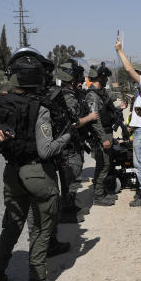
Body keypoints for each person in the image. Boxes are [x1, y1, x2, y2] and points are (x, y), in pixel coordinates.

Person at [0, 48, 72, 281]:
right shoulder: (40, 107)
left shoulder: (0, 104)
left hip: (11, 171)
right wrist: (66, 135)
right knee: (42, 230)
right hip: (37, 174)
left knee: (10, 226)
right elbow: (45, 151)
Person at [49, 59, 98, 223]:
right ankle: (66, 211)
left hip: (72, 143)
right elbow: (73, 122)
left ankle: (70, 206)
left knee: (73, 177)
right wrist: (90, 118)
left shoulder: (66, 93)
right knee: (71, 177)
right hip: (68, 146)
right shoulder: (66, 96)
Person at [114, 39, 141, 207]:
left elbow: (127, 68)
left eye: (136, 76)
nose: (134, 79)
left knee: (140, 163)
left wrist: (119, 50)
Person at [86, 62, 119, 206]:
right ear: (100, 78)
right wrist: (104, 138)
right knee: (103, 165)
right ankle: (98, 196)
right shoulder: (92, 96)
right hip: (101, 136)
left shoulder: (100, 93)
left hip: (106, 132)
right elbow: (95, 121)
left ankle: (102, 191)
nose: (107, 80)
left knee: (106, 164)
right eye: (105, 78)